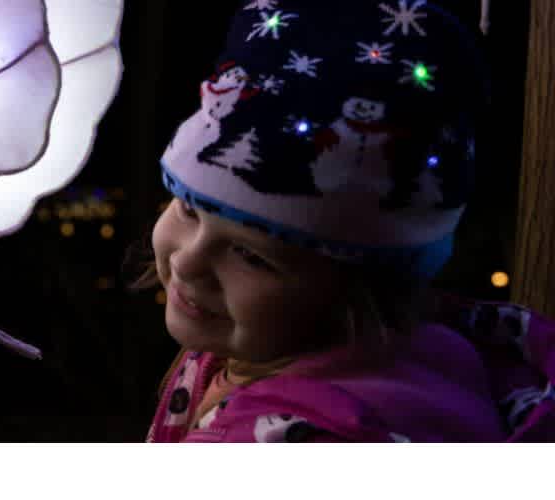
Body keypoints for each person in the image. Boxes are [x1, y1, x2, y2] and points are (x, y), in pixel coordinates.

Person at [139, 0, 555, 442]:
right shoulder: (265, 346)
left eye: (250, 255)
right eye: (188, 208)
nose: (188, 262)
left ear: (359, 293)